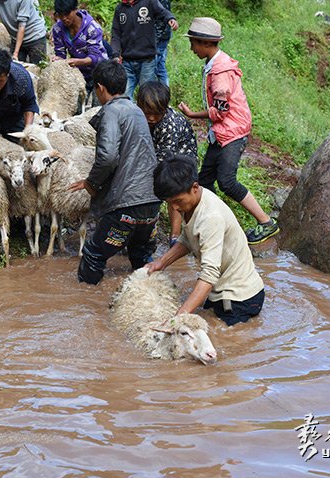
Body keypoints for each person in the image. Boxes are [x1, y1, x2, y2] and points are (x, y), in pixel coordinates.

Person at [178, 17, 279, 244]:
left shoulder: (220, 73)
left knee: (226, 181)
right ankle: (215, 225)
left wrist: (193, 114)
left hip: (232, 132)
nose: (191, 48)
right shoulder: (216, 63)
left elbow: (222, 111)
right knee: (204, 181)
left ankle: (266, 222)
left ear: (204, 43)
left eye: (192, 43)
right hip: (221, 132)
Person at [68, 60, 161, 285]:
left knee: (93, 255)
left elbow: (108, 157)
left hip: (125, 207)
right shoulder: (137, 111)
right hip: (152, 205)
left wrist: (91, 183)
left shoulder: (110, 111)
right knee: (140, 256)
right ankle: (154, 299)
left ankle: (89, 306)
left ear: (100, 87)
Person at [147, 154, 265, 326]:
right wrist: (161, 263)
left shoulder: (211, 217)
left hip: (240, 299)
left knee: (224, 342)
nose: (174, 208)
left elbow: (209, 274)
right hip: (221, 290)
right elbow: (188, 238)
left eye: (178, 201)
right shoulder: (194, 201)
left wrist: (178, 318)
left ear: (194, 187)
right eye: (168, 203)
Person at [136, 80, 198, 248]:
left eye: (156, 113)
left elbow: (163, 160)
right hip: (158, 155)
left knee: (174, 197)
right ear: (138, 105)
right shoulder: (141, 117)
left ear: (164, 109)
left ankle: (175, 237)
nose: (151, 118)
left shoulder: (169, 124)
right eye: (147, 112)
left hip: (181, 160)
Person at [110, 0, 178, 100]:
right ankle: (129, 115)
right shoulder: (120, 9)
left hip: (147, 61)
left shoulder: (149, 2)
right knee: (124, 96)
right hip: (127, 62)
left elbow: (163, 12)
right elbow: (115, 34)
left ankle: (148, 114)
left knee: (146, 97)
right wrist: (115, 55)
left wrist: (171, 19)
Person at [51, 0, 109, 106]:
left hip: (100, 70)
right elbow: (60, 53)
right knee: (75, 107)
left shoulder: (92, 28)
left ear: (75, 10)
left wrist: (76, 61)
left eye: (67, 14)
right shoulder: (58, 29)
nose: (64, 18)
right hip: (79, 73)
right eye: (60, 14)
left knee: (98, 108)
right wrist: (59, 60)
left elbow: (95, 57)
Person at [154, 0, 174, 85]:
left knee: (154, 66)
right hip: (163, 34)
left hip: (159, 35)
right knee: (160, 66)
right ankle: (165, 93)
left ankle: (157, 94)